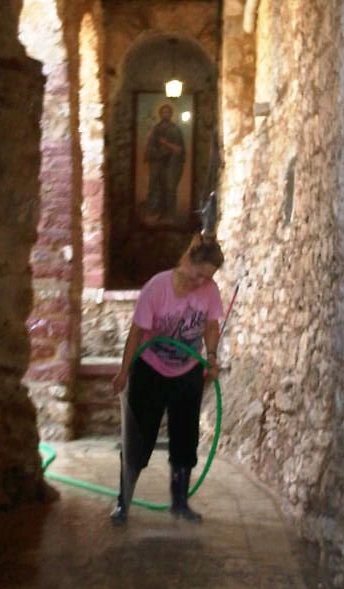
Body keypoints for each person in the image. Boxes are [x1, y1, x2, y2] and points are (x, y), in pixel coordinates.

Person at [111, 232, 224, 524]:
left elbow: (211, 325)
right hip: (150, 369)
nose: (202, 282)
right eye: (199, 274)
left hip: (188, 370)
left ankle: (180, 503)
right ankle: (123, 502)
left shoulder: (210, 290)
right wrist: (124, 371)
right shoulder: (157, 288)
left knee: (185, 438)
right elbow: (136, 332)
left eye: (208, 277)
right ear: (187, 260)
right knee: (138, 437)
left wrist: (211, 356)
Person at [144, 103, 185, 220]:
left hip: (171, 164)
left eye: (167, 112)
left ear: (171, 114)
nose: (165, 114)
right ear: (160, 114)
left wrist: (167, 144)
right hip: (158, 163)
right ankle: (156, 212)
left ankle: (170, 215)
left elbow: (179, 149)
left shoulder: (175, 130)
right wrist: (149, 158)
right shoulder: (156, 129)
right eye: (163, 112)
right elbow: (150, 146)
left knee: (170, 188)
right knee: (155, 188)